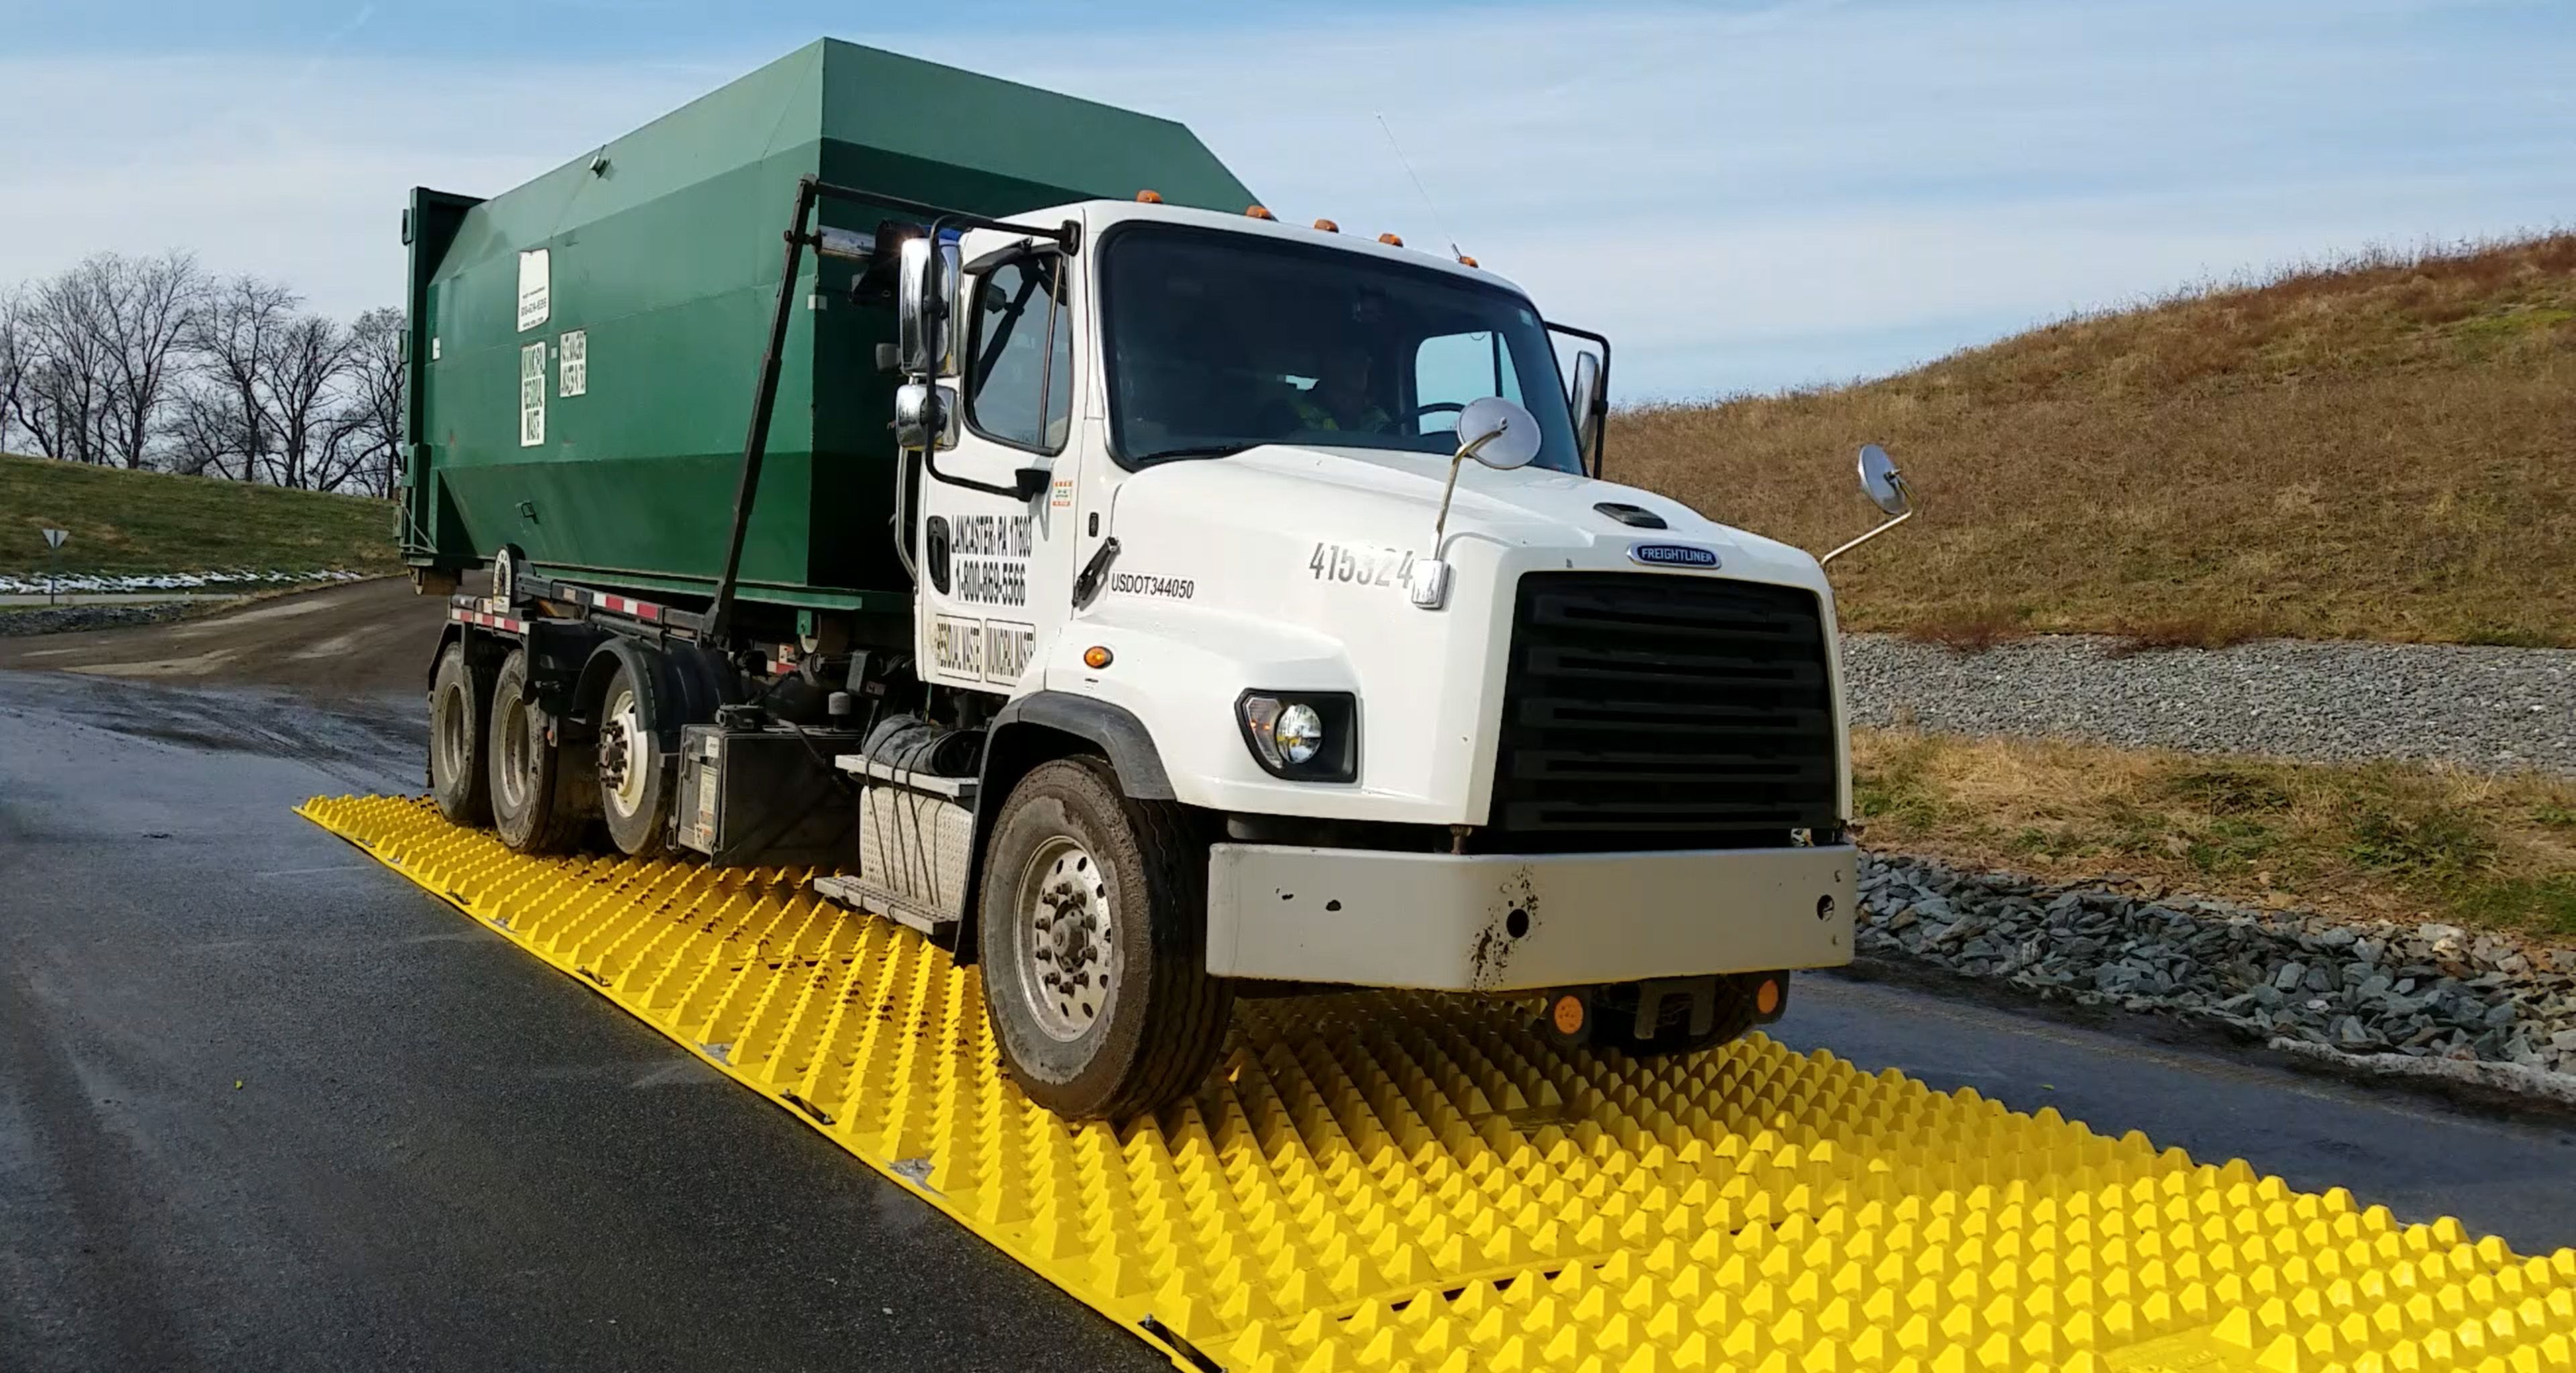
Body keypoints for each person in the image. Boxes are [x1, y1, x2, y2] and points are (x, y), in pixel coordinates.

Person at [1289, 343, 1389, 433]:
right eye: (1350, 359)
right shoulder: (1298, 418)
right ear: (1328, 364)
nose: (1360, 367)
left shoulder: (1378, 420)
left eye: (1365, 360)